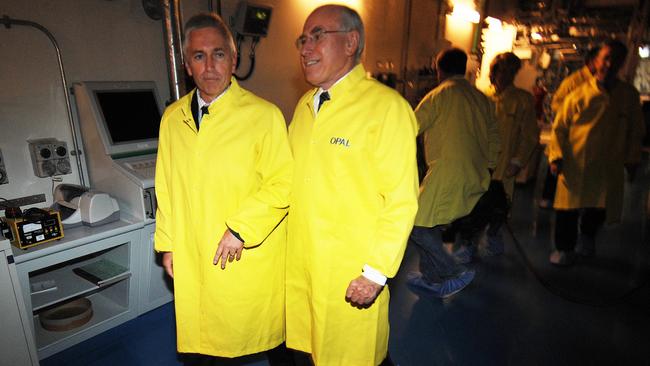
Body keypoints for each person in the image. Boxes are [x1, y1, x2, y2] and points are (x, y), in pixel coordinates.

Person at [154, 13, 294, 364]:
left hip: (242, 250)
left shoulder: (264, 116)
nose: (210, 65)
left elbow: (282, 182)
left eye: (219, 54)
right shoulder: (173, 119)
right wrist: (168, 246)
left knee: (262, 334)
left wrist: (240, 229)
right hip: (193, 252)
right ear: (187, 65)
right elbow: (166, 188)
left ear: (234, 60)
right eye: (199, 56)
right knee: (204, 342)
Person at [286, 5, 419, 366]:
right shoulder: (304, 107)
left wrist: (375, 273)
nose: (305, 47)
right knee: (307, 349)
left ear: (351, 42)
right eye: (303, 39)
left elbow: (401, 200)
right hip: (301, 268)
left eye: (318, 36)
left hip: (350, 273)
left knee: (354, 356)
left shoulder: (386, 108)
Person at [406, 48, 500, 296]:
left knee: (415, 223)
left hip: (447, 172)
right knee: (431, 221)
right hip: (476, 172)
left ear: (440, 70)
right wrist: (488, 166)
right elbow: (494, 138)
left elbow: (409, 127)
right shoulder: (482, 98)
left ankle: (454, 270)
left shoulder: (439, 95)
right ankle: (432, 278)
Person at [548, 39, 645, 265]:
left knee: (599, 205)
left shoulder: (628, 96)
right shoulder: (578, 94)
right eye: (606, 58)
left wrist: (632, 160)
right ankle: (564, 248)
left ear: (622, 63)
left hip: (608, 165)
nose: (610, 64)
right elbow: (559, 129)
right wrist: (556, 156)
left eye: (616, 59)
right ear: (597, 60)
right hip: (576, 162)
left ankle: (588, 238)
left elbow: (635, 131)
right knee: (567, 209)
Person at [482, 52, 539, 255]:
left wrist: (518, 161)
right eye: (501, 70)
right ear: (494, 71)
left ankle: (494, 234)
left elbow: (531, 135)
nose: (505, 75)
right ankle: (470, 243)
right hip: (479, 165)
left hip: (504, 166)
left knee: (500, 206)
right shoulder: (482, 97)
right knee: (473, 205)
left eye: (510, 71)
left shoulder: (523, 100)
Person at [540, 47, 600, 208]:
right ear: (592, 61)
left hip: (585, 138)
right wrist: (572, 116)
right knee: (556, 165)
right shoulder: (574, 81)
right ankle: (548, 197)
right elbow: (556, 104)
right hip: (567, 133)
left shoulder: (600, 83)